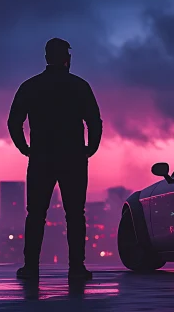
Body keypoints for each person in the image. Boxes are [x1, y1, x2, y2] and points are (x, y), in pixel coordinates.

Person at [7, 38, 103, 281]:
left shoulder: (30, 86)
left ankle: (31, 267)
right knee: (75, 214)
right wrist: (89, 149)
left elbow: (14, 122)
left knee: (36, 214)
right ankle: (77, 268)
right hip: (73, 157)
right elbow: (94, 121)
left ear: (46, 57)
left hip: (41, 157)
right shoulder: (79, 86)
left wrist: (24, 148)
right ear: (66, 59)